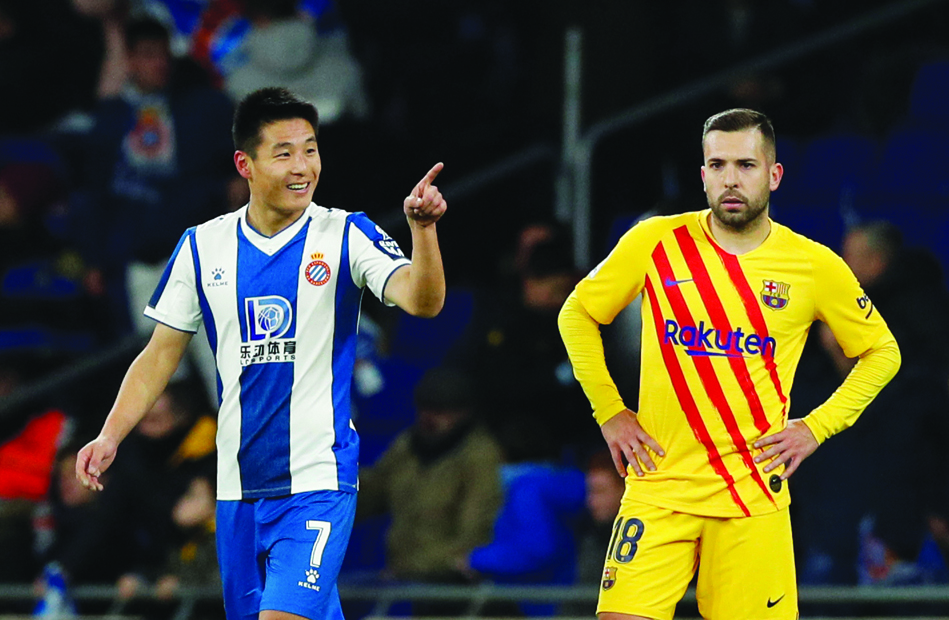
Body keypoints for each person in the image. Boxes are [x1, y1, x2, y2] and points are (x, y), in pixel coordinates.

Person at [76, 86, 447, 620]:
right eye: (285, 153)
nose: (303, 167)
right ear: (244, 164)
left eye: (311, 149)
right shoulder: (202, 247)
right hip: (238, 492)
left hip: (318, 482)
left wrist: (423, 232)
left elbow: (423, 300)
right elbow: (159, 354)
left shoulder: (345, 233)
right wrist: (110, 434)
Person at [558, 108, 901, 620]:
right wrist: (610, 411)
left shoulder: (813, 265)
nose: (730, 179)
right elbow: (578, 312)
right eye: (717, 165)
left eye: (745, 164)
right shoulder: (655, 241)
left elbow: (883, 352)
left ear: (774, 174)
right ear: (702, 175)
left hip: (751, 500)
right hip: (660, 488)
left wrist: (816, 428)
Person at [357, 366, 503, 584]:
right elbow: (371, 492)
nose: (429, 417)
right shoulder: (407, 446)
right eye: (425, 408)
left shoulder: (480, 456)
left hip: (454, 585)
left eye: (441, 411)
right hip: (403, 580)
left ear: (464, 413)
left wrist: (413, 566)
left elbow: (476, 535)